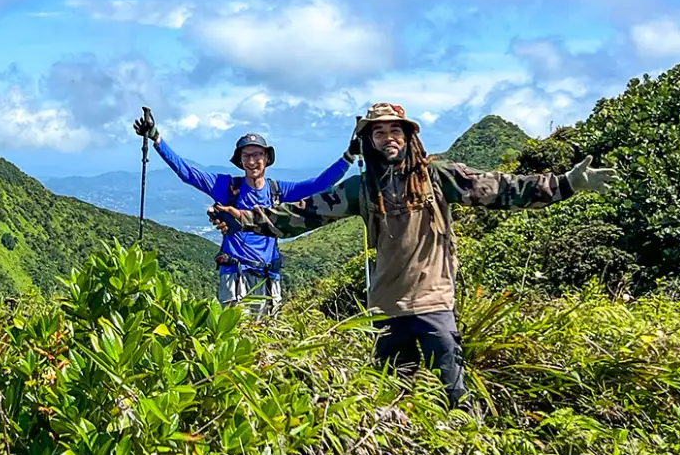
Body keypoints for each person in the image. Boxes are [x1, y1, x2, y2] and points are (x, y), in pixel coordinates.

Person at [207, 102, 618, 408]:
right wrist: (242, 219)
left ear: (408, 136)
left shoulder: (438, 177)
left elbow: (502, 188)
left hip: (434, 302)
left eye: (395, 130)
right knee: (393, 402)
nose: (388, 137)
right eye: (378, 132)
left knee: (454, 395)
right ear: (368, 141)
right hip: (386, 307)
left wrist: (565, 184)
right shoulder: (362, 189)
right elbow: (300, 215)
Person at [131, 109, 360, 317]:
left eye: (257, 154)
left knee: (266, 337)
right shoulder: (227, 187)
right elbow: (188, 172)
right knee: (237, 335)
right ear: (240, 161)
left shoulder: (278, 190)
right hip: (235, 272)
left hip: (268, 276)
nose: (252, 161)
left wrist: (349, 156)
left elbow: (320, 184)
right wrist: (156, 139)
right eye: (246, 156)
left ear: (266, 158)